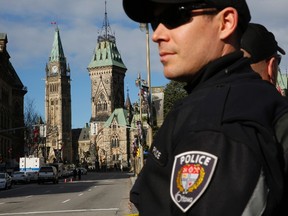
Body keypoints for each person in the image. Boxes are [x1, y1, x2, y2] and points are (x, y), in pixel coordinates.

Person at [122, 0, 288, 215]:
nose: (157, 35)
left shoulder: (215, 121)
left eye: (174, 17)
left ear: (226, 22)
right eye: (155, 22)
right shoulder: (253, 98)